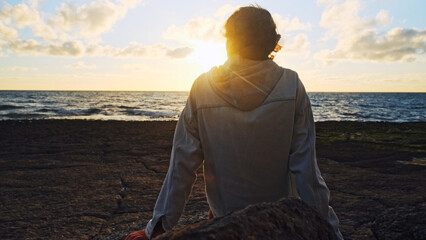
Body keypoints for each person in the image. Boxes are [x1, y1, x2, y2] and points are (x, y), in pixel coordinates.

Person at [126, 5, 343, 240]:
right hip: (275, 222)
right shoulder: (291, 85)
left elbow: (182, 166)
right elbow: (307, 173)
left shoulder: (203, 86)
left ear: (229, 42)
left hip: (225, 220)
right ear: (272, 43)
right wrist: (330, 231)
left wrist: (158, 228)